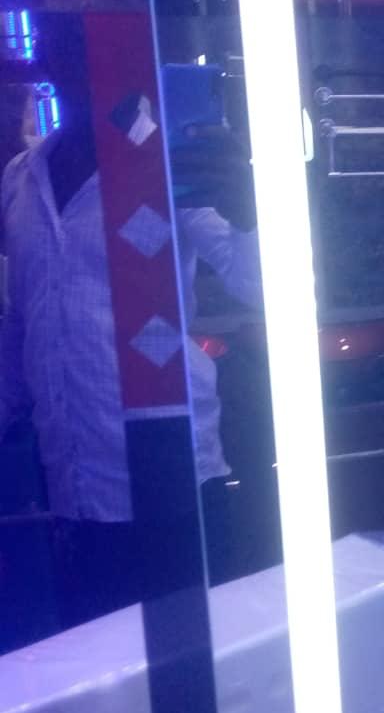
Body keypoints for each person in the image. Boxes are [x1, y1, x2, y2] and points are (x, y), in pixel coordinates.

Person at [0, 44, 263, 627]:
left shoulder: (168, 163)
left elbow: (263, 288)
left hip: (172, 477)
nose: (84, 59)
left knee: (194, 665)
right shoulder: (21, 179)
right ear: (47, 56)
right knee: (100, 670)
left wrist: (248, 211)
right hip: (71, 488)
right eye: (66, 40)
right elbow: (25, 327)